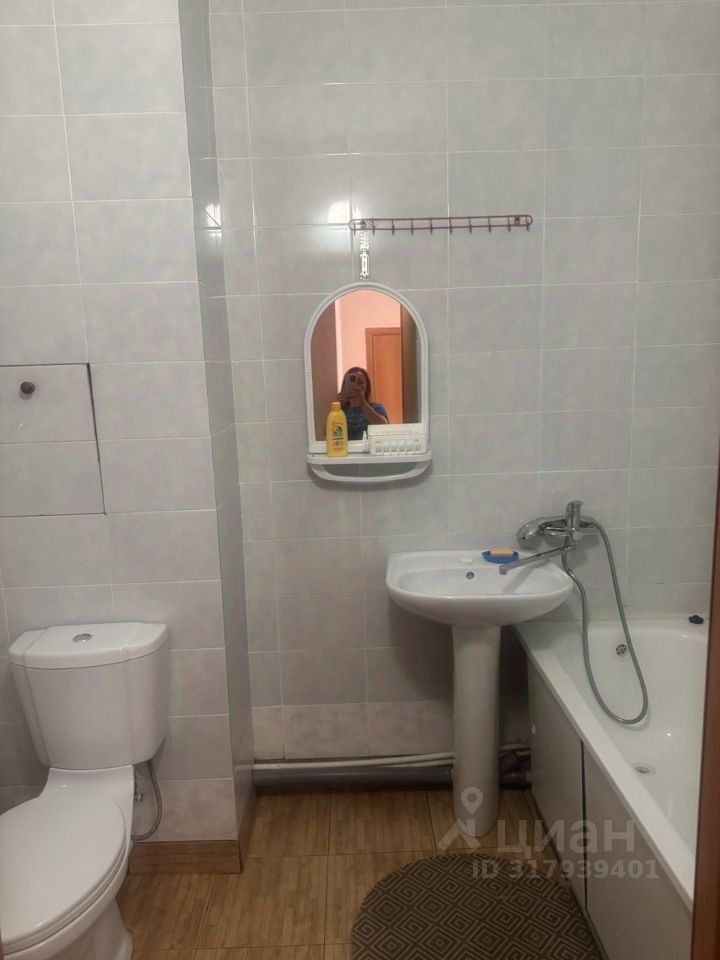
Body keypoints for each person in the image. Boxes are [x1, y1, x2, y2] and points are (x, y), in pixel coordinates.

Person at [337, 367, 389, 440]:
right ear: (345, 385)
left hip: (369, 446)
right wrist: (336, 407)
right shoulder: (340, 410)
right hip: (346, 447)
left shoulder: (376, 408)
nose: (356, 385)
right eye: (351, 382)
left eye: (360, 382)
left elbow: (384, 427)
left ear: (367, 386)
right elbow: (326, 431)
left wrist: (363, 404)